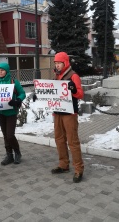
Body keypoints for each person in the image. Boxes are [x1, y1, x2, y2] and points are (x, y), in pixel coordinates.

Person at [51, 52, 84, 183]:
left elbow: (81, 94)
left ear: (65, 63)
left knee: (72, 141)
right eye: (56, 63)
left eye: (59, 63)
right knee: (59, 139)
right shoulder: (56, 76)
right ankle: (63, 165)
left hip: (70, 113)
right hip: (57, 112)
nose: (57, 66)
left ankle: (78, 169)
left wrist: (74, 90)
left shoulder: (73, 76)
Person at [0, 62, 26, 165]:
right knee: (5, 135)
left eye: (2, 70)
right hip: (0, 112)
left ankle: (17, 152)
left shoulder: (14, 82)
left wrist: (17, 100)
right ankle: (9, 155)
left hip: (11, 112)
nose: (0, 72)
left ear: (7, 71)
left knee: (10, 135)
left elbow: (22, 93)